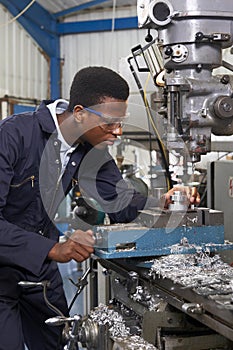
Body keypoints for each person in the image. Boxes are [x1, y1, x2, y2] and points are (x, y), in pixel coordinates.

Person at [0, 66, 200, 350]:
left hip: (40, 271)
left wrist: (162, 201)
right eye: (109, 123)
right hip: (5, 267)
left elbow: (121, 203)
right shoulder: (14, 136)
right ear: (80, 113)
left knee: (57, 341)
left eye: (121, 122)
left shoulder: (91, 149)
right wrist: (53, 248)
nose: (117, 132)